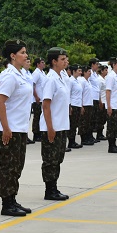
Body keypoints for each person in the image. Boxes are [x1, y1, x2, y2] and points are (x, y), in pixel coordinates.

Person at [0, 39, 35, 217]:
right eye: (23, 52)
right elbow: (0, 101)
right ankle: (6, 203)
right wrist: (5, 128)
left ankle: (12, 198)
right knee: (8, 166)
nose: (26, 55)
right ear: (13, 56)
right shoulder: (9, 75)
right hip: (9, 127)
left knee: (17, 165)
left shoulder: (23, 74)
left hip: (20, 127)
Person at [40, 47, 70, 201]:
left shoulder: (61, 77)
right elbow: (45, 105)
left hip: (61, 125)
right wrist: (50, 127)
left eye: (66, 59)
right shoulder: (50, 79)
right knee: (50, 160)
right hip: (52, 127)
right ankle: (49, 190)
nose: (66, 61)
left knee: (58, 158)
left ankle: (54, 187)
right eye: (63, 59)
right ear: (54, 62)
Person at [104, 58, 117, 154]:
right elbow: (108, 91)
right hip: (113, 105)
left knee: (115, 126)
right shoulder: (111, 77)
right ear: (114, 65)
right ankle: (111, 146)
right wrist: (108, 106)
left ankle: (114, 144)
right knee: (111, 127)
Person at [30, 57, 46, 143]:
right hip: (37, 99)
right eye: (42, 62)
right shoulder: (36, 73)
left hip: (42, 99)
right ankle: (36, 134)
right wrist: (36, 96)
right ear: (38, 64)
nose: (44, 64)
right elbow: (32, 85)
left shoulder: (43, 73)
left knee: (41, 116)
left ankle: (40, 132)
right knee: (37, 116)